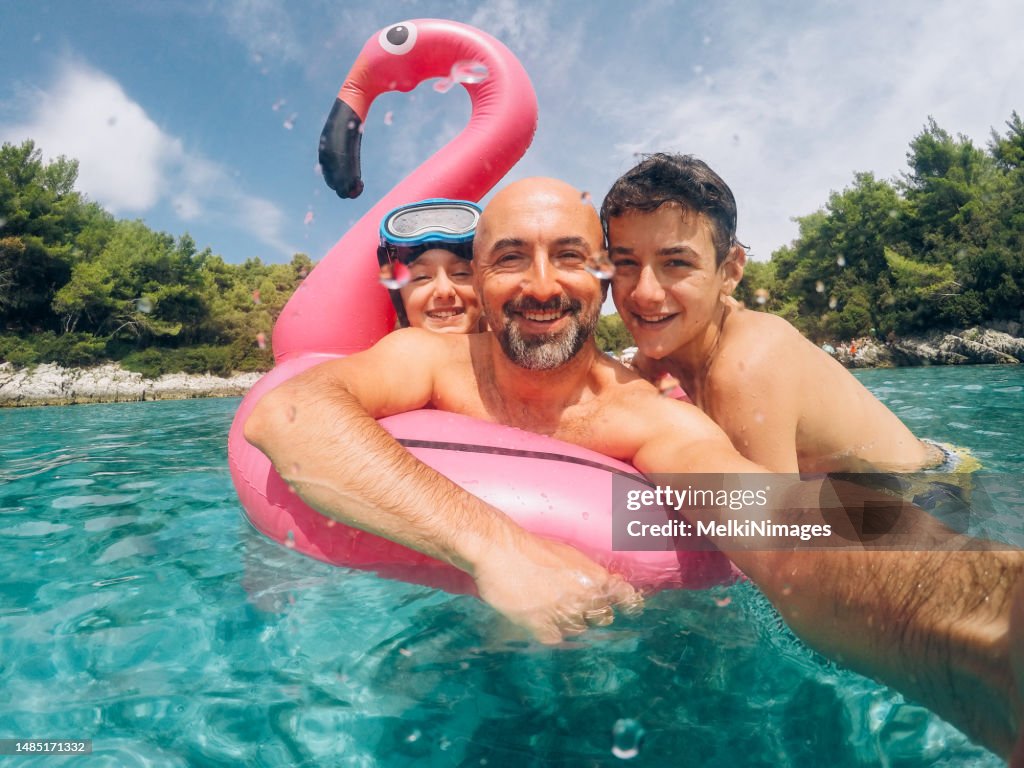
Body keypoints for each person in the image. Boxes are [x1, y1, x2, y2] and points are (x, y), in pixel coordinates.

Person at [244, 177, 1023, 761]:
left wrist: (987, 615)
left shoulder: (642, 417)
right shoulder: (427, 361)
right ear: (479, 283)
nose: (543, 285)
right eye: (512, 257)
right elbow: (289, 417)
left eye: (572, 258)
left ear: (604, 283)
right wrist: (497, 547)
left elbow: (774, 516)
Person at [601, 153, 942, 474]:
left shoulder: (748, 364)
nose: (645, 292)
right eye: (625, 263)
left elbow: (771, 531)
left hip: (927, 487)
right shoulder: (658, 358)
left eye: (676, 263)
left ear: (730, 271)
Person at [378, 198, 484, 334]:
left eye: (461, 273)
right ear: (399, 296)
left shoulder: (512, 346)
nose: (444, 291)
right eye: (421, 277)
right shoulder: (386, 353)